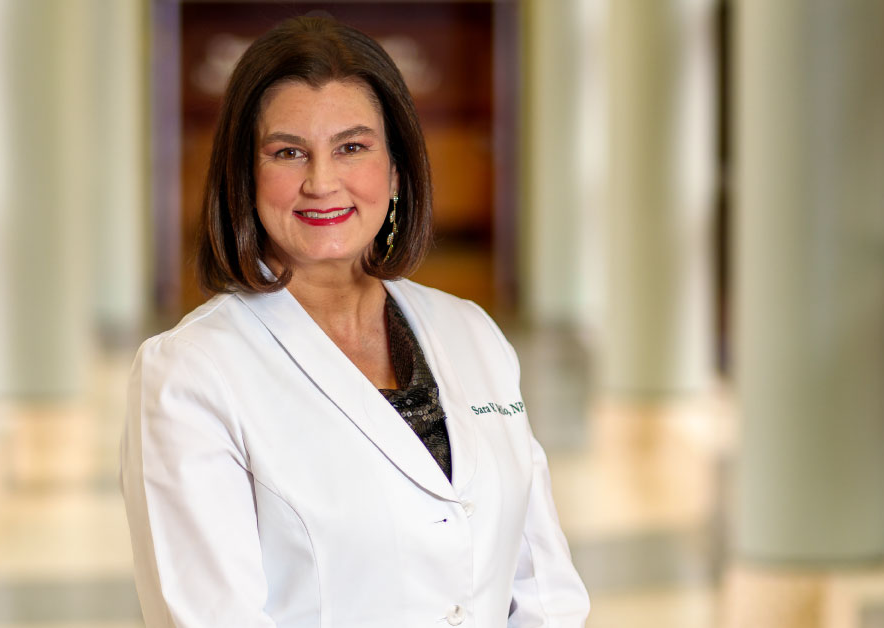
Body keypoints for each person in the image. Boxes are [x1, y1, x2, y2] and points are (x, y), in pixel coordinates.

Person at [120, 15, 589, 628]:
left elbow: (545, 588)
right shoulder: (188, 374)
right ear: (245, 176)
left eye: (352, 147)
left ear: (395, 171)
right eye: (288, 152)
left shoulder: (471, 333)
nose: (322, 182)